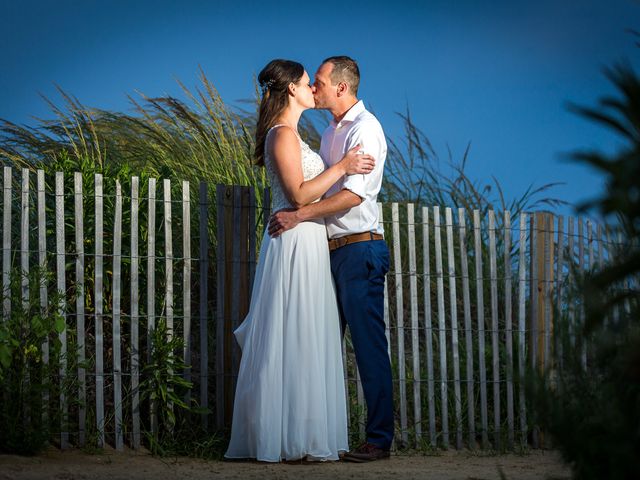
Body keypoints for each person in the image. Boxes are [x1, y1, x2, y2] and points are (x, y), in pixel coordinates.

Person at [224, 59, 376, 463]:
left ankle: (304, 433)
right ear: (291, 89)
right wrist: (343, 167)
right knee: (291, 331)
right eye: (309, 83)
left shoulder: (301, 135)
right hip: (293, 242)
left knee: (308, 334)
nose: (313, 89)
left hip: (309, 240)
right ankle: (286, 436)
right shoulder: (282, 135)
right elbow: (299, 195)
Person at [268, 56, 394, 462]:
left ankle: (378, 439)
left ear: (341, 87)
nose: (315, 88)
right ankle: (306, 436)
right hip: (326, 252)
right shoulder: (327, 134)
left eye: (319, 82)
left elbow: (355, 195)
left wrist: (299, 214)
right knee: (315, 344)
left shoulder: (366, 129)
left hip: (359, 248)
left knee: (368, 346)